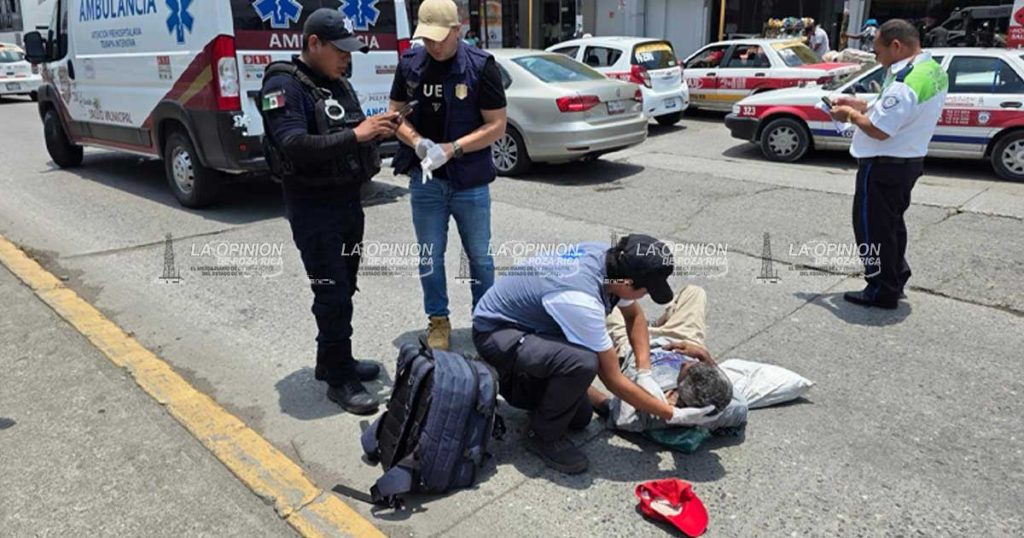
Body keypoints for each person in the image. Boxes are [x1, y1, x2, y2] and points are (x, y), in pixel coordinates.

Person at [472, 235, 720, 475]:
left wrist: (645, 372)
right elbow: (612, 378)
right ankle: (541, 435)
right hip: (497, 333)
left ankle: (538, 387)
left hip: (534, 326)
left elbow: (634, 317)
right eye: (645, 290)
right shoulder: (581, 299)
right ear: (626, 283)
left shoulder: (612, 262)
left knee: (578, 419)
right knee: (582, 363)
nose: (646, 296)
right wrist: (671, 414)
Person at [260, 9, 400, 414]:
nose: (347, 58)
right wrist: (357, 134)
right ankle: (339, 378)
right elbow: (292, 143)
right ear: (314, 44)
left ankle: (335, 359)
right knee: (330, 290)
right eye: (339, 50)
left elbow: (346, 132)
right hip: (313, 208)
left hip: (347, 205)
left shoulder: (336, 83)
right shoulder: (284, 84)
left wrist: (376, 128)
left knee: (346, 284)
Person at [389, 0, 508, 351]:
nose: (433, 45)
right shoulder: (410, 64)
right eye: (427, 38)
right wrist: (419, 143)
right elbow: (395, 114)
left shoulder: (481, 67)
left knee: (480, 258)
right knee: (429, 255)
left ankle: (486, 322)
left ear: (458, 30)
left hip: (469, 181)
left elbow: (497, 126)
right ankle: (438, 320)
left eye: (440, 38)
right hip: (426, 181)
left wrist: (452, 148)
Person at [827, 19, 948, 309]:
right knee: (892, 226)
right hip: (907, 161)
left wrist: (849, 115)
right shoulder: (929, 70)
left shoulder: (905, 83)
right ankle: (895, 277)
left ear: (896, 46)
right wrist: (862, 105)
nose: (875, 56)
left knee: (872, 230)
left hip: (883, 166)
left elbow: (879, 129)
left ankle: (881, 288)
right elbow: (896, 109)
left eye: (877, 50)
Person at [589, 285, 746, 433]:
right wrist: (704, 356)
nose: (684, 362)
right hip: (683, 340)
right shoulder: (723, 411)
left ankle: (648, 326)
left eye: (685, 369)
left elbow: (606, 405)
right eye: (698, 364)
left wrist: (576, 381)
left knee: (601, 293)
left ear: (677, 396)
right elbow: (735, 398)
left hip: (632, 344)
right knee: (694, 292)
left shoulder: (646, 413)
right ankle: (656, 325)